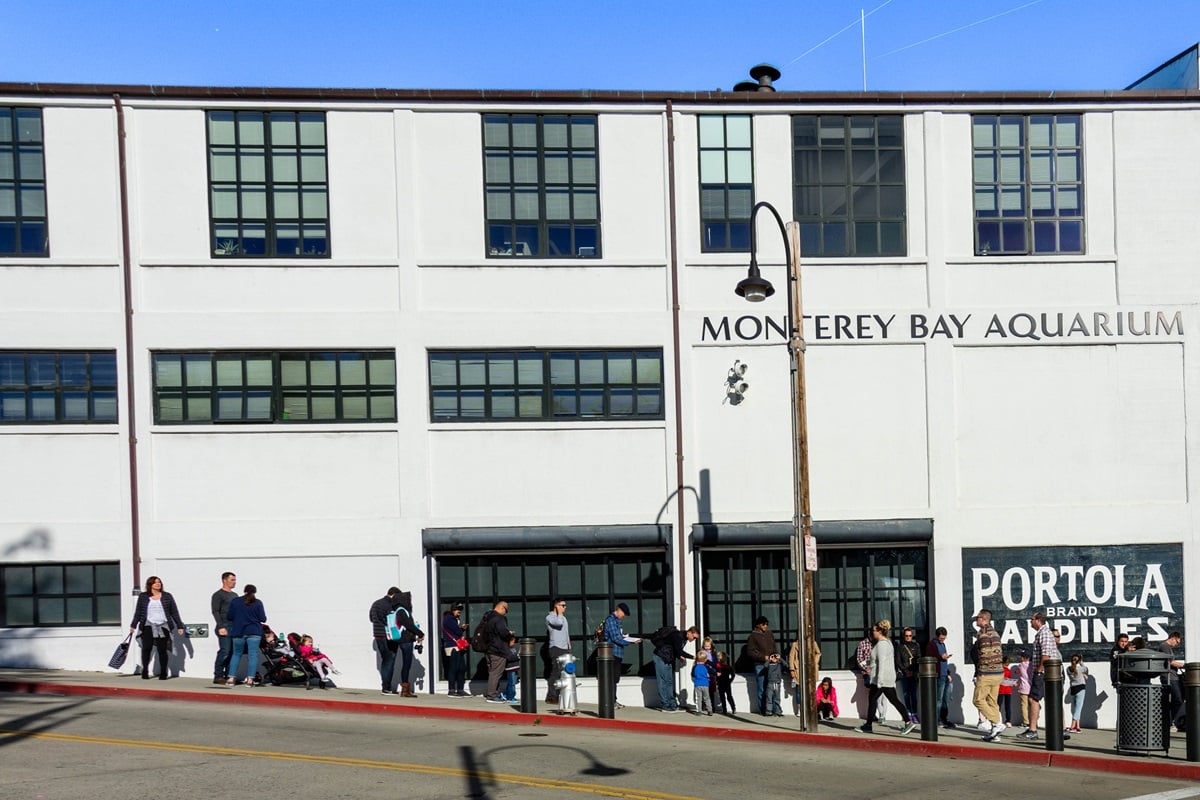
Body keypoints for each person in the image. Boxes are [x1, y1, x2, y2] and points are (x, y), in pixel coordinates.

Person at [855, 620, 917, 735]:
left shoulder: (882, 644)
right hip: (885, 678)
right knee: (892, 700)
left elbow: (882, 663)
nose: (872, 632)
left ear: (879, 631)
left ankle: (868, 725)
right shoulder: (886, 643)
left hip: (881, 679)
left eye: (874, 630)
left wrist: (880, 681)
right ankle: (908, 722)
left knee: (873, 700)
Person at [129, 575, 185, 681]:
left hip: (163, 626)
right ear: (150, 585)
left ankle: (163, 672)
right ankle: (145, 670)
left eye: (159, 582)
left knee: (162, 650)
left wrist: (179, 626)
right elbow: (138, 612)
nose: (158, 584)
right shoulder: (143, 596)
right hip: (148, 625)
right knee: (146, 648)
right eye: (155, 582)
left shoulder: (167, 596)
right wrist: (133, 625)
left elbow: (174, 612)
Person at [1019, 611, 1060, 740]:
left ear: (1038, 620)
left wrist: (1039, 669)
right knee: (1037, 699)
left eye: (1032, 619)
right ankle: (1034, 727)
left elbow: (1046, 654)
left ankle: (1033, 730)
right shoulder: (1042, 634)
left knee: (1033, 699)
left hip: (1044, 672)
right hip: (1045, 672)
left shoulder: (1044, 633)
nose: (1030, 622)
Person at [970, 608, 1005, 741]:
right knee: (992, 701)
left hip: (987, 673)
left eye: (978, 618)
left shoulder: (982, 634)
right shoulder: (995, 633)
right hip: (998, 673)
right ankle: (994, 732)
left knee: (978, 700)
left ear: (984, 619)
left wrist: (981, 672)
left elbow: (984, 654)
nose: (976, 620)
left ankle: (997, 723)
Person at [225, 583, 266, 687]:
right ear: (254, 592)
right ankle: (250, 680)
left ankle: (231, 678)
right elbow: (263, 618)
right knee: (252, 655)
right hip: (254, 632)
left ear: (244, 591)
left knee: (236, 654)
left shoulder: (235, 601)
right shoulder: (258, 603)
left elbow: (229, 616)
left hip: (238, 632)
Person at [601, 602, 641, 708]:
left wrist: (625, 637)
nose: (624, 616)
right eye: (624, 614)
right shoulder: (611, 620)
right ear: (619, 610)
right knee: (611, 678)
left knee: (615, 679)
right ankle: (610, 701)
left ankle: (614, 700)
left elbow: (618, 636)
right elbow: (614, 638)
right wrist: (629, 642)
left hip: (618, 653)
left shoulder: (617, 621)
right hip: (612, 653)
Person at [652, 624, 699, 712]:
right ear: (689, 633)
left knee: (669, 682)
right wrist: (693, 657)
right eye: (694, 637)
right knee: (662, 681)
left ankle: (672, 704)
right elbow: (679, 650)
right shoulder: (677, 636)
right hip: (661, 657)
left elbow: (674, 648)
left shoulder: (683, 638)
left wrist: (679, 656)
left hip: (668, 658)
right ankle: (665, 705)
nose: (694, 639)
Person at [390, 590, 426, 698]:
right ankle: (405, 690)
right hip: (406, 640)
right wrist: (420, 633)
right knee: (406, 664)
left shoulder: (399, 610)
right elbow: (409, 625)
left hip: (404, 640)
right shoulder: (402, 611)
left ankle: (405, 688)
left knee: (407, 664)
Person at [369, 586, 403, 694]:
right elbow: (392, 621)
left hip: (378, 636)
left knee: (385, 660)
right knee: (389, 661)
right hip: (389, 636)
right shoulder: (390, 605)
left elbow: (371, 618)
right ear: (393, 595)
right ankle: (386, 687)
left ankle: (386, 686)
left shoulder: (375, 604)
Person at [746, 616, 779, 716]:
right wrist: (762, 657)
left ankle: (773, 709)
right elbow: (750, 652)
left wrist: (776, 655)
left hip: (772, 664)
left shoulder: (769, 634)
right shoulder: (753, 636)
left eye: (767, 624)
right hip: (760, 665)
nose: (766, 626)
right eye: (763, 624)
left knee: (772, 688)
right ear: (758, 625)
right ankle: (763, 710)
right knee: (762, 687)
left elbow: (774, 646)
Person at [483, 600, 514, 703]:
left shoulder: (488, 617)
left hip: (488, 649)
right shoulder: (499, 618)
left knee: (492, 672)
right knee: (496, 673)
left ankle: (494, 693)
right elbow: (503, 633)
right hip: (498, 650)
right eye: (506, 610)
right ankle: (492, 695)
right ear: (502, 608)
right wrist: (509, 634)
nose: (506, 613)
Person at [210, 571, 237, 685]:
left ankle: (228, 675)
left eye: (235, 580)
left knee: (232, 652)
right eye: (232, 580)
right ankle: (218, 675)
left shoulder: (235, 595)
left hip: (234, 626)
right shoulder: (218, 595)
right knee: (225, 651)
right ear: (224, 580)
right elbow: (215, 611)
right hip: (224, 625)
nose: (234, 582)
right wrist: (221, 626)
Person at [925, 627, 954, 728]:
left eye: (944, 638)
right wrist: (940, 657)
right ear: (937, 636)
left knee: (946, 699)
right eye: (941, 638)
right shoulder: (931, 645)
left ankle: (944, 718)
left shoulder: (942, 644)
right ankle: (937, 719)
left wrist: (948, 673)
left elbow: (945, 661)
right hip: (939, 675)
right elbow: (930, 657)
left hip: (945, 674)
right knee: (939, 699)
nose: (942, 640)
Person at [1157, 631, 1185, 731]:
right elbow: (1171, 662)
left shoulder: (1168, 648)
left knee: (1176, 700)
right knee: (1177, 699)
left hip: (1173, 676)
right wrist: (1185, 665)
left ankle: (1174, 722)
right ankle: (1174, 722)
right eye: (1177, 642)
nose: (1177, 644)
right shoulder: (1164, 646)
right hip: (1169, 677)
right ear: (1173, 638)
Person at [441, 602, 470, 698]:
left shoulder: (452, 619)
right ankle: (452, 690)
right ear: (453, 610)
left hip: (457, 646)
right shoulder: (449, 619)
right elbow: (457, 631)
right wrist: (462, 628)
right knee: (454, 668)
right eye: (458, 611)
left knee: (461, 668)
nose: (459, 613)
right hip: (452, 646)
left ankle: (460, 689)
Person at [545, 598, 570, 704]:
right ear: (556, 606)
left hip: (565, 648)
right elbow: (558, 623)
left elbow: (566, 632)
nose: (565, 607)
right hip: (556, 647)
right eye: (562, 605)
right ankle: (551, 696)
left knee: (565, 672)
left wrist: (569, 645)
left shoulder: (563, 617)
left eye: (565, 605)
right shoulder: (550, 617)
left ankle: (562, 695)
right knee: (556, 671)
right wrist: (559, 613)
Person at [895, 626, 921, 723]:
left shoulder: (916, 646)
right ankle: (908, 713)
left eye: (910, 636)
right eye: (906, 636)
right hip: (904, 674)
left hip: (913, 673)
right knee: (906, 694)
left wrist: (913, 671)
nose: (908, 637)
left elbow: (919, 658)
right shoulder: (900, 647)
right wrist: (905, 670)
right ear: (903, 636)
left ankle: (915, 713)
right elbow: (898, 661)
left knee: (914, 694)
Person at [1066, 653, 1088, 731]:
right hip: (1081, 688)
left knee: (1075, 707)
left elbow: (1076, 671)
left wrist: (1082, 674)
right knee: (1078, 708)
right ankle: (1072, 725)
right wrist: (1081, 662)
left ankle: (1077, 726)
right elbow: (1086, 669)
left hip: (1073, 689)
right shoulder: (1081, 669)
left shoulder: (1068, 669)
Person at [1012, 650, 1032, 729]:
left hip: (1024, 688)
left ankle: (1026, 722)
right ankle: (1034, 721)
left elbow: (1017, 672)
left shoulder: (1021, 665)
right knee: (1033, 705)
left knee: (1024, 705)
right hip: (1032, 687)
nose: (1020, 658)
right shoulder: (1032, 665)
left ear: (1024, 658)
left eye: (1021, 656)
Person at [763, 652, 786, 716]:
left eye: (776, 657)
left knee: (777, 698)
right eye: (773, 657)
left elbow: (785, 664)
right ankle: (768, 711)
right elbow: (765, 666)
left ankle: (778, 711)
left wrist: (780, 658)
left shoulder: (779, 664)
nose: (774, 658)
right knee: (769, 697)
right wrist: (769, 659)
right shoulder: (769, 664)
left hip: (777, 682)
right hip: (770, 682)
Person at [715, 650, 736, 715]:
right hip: (725, 683)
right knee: (728, 696)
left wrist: (730, 680)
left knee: (724, 697)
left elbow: (733, 674)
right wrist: (730, 680)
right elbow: (733, 674)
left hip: (723, 683)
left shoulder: (719, 666)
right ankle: (732, 708)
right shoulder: (728, 667)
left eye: (719, 657)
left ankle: (727, 709)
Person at [692, 651, 713, 716]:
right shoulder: (706, 667)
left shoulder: (695, 667)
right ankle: (710, 710)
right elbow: (712, 671)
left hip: (698, 684)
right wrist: (717, 673)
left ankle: (699, 711)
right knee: (707, 698)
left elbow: (693, 674)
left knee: (699, 698)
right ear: (705, 660)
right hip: (705, 684)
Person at [501, 634, 520, 703]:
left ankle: (505, 694)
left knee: (512, 683)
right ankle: (511, 697)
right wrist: (518, 656)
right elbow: (509, 658)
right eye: (512, 641)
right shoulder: (506, 649)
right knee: (511, 683)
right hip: (510, 668)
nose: (513, 643)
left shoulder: (514, 648)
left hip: (515, 668)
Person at [999, 656, 1014, 727]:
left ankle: (997, 720)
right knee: (1007, 706)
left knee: (998, 705)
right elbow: (1010, 679)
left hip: (1001, 690)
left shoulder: (1000, 671)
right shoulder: (1008, 671)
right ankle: (1008, 721)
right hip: (1008, 690)